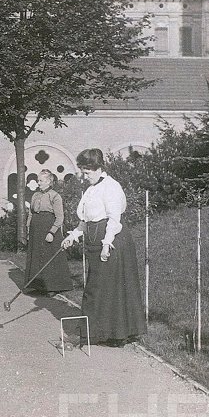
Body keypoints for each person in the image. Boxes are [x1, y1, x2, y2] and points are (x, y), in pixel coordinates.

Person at [60, 148, 146, 347]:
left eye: (88, 171)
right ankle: (101, 333)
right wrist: (73, 236)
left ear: (98, 168)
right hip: (95, 240)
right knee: (99, 289)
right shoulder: (91, 189)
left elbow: (114, 219)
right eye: (82, 170)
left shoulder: (111, 187)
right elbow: (87, 221)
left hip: (112, 241)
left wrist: (107, 244)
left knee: (101, 290)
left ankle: (96, 335)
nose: (84, 175)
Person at [24, 170, 71, 295]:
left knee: (48, 257)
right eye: (38, 180)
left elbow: (60, 217)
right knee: (37, 256)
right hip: (36, 229)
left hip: (48, 229)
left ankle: (52, 287)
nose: (38, 183)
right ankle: (37, 286)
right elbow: (30, 213)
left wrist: (52, 232)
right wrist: (28, 229)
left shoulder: (55, 196)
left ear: (49, 181)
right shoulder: (35, 196)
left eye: (41, 181)